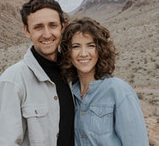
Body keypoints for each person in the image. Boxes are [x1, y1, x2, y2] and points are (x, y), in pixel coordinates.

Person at [0, 0, 75, 146]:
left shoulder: (73, 73)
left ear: (63, 27)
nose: (47, 34)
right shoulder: (13, 81)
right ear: (26, 30)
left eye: (53, 25)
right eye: (38, 27)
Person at [60, 17, 149, 146]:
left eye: (90, 45)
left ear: (100, 50)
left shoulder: (118, 90)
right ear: (68, 52)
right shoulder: (71, 93)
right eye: (76, 46)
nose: (83, 53)